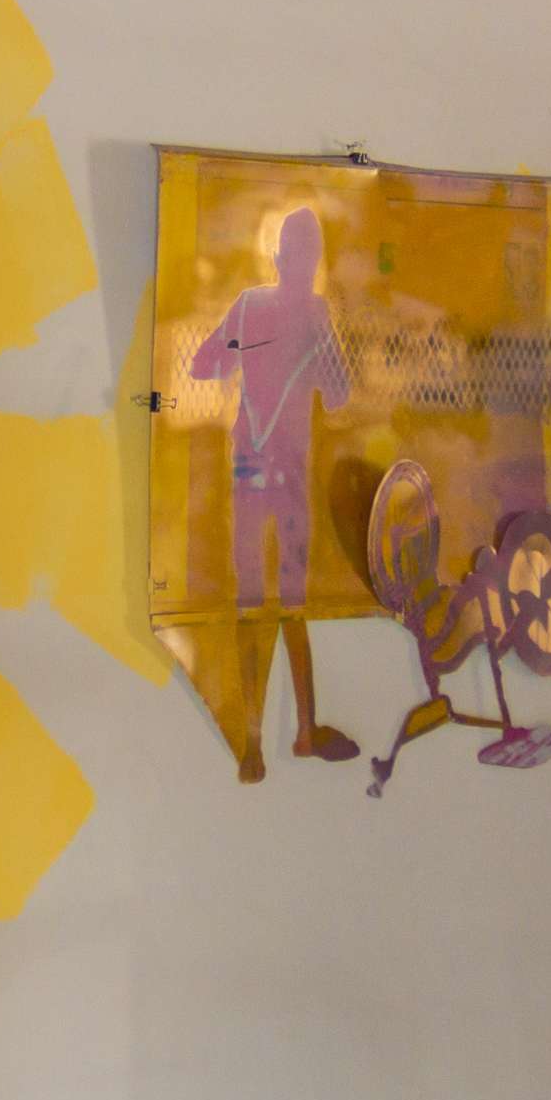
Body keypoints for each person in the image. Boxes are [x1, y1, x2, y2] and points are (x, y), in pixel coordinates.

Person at [187, 206, 360, 775]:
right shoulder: (316, 313)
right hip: (289, 472)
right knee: (292, 601)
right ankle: (304, 730)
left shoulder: (248, 305)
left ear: (279, 257)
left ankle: (253, 743)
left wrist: (245, 362)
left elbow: (203, 365)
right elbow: (340, 394)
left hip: (247, 467)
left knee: (249, 600)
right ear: (311, 262)